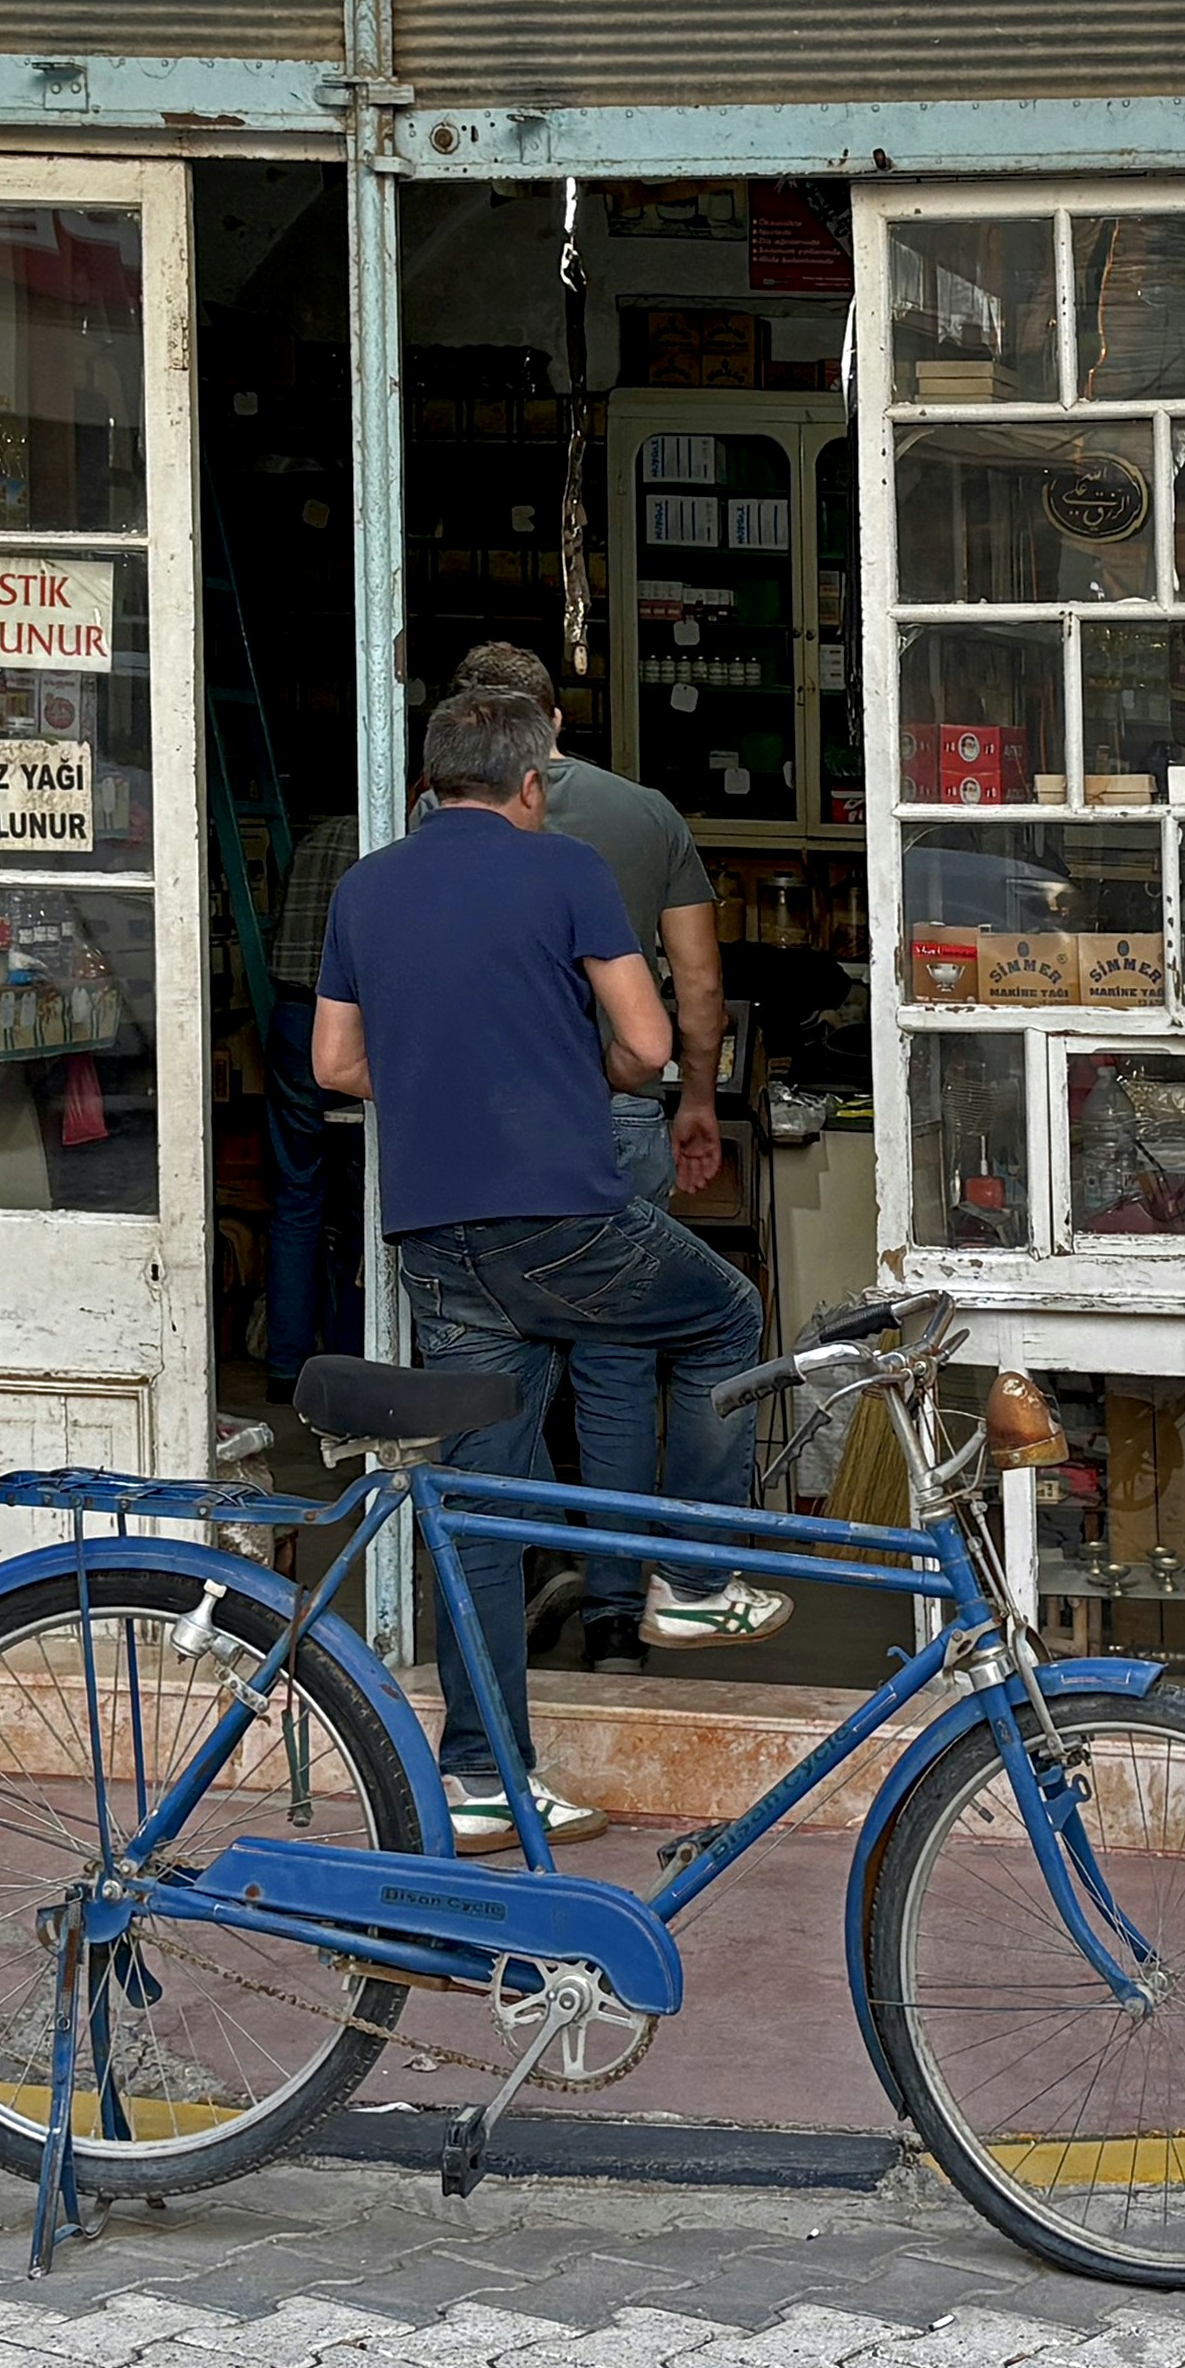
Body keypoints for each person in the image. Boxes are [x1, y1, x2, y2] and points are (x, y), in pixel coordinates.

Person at [314, 687, 787, 1850]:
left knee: (483, 1500)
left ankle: (480, 1775)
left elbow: (335, 1062)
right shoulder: (565, 868)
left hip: (437, 1237)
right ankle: (691, 1577)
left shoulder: (365, 887)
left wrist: (431, 1089)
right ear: (532, 784)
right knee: (724, 1317)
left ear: (428, 785)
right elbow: (649, 1039)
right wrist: (599, 1084)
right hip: (563, 1214)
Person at [440, 642, 728, 1674]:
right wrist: (694, 1099)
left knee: (494, 1376)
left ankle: (507, 1599)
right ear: (555, 725)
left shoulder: (432, 827)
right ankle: (617, 1614)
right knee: (618, 1367)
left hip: (477, 1132)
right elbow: (695, 982)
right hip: (616, 1119)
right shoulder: (645, 814)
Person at [259, 807, 364, 1394]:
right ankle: (352, 1364)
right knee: (360, 1200)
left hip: (294, 1018)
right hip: (354, 1022)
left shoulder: (315, 834)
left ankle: (286, 1364)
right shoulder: (389, 841)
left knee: (296, 1196)